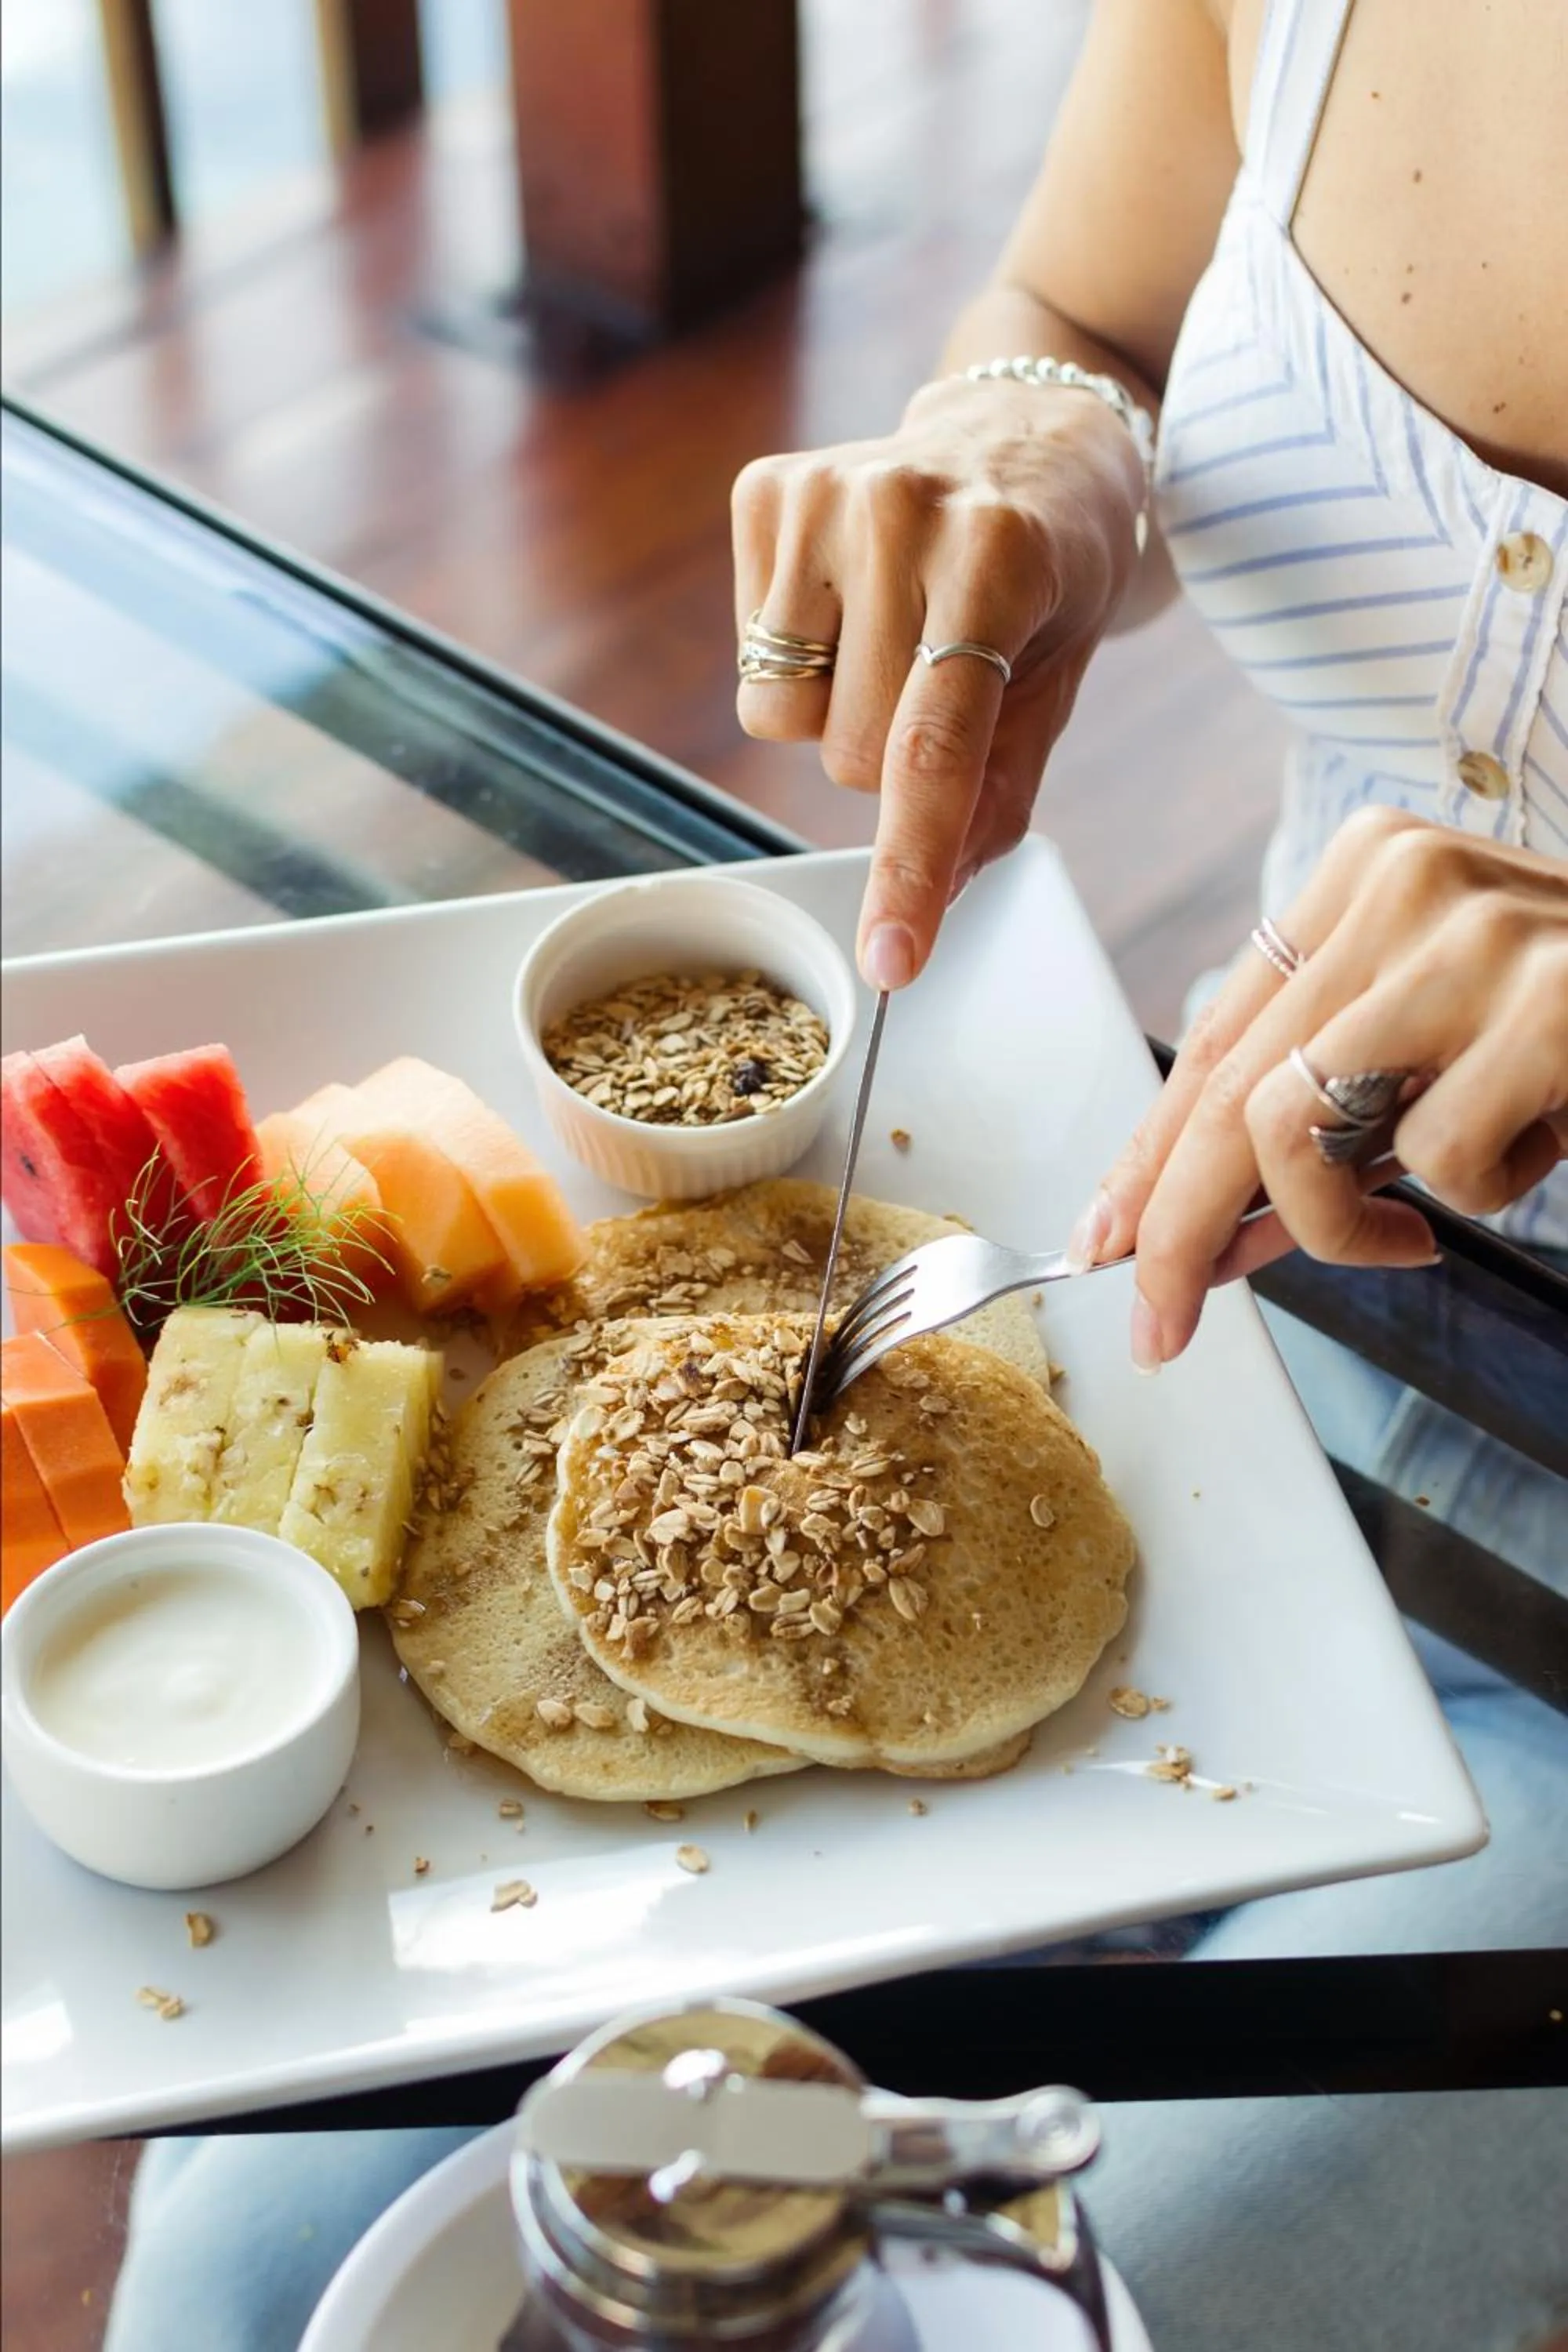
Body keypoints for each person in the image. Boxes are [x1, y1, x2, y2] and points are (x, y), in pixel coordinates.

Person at [104, 3, 1566, 2347]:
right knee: (271, 2280)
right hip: (1195, 1283)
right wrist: (1036, 437)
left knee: (972, 2315)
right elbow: (1086, 318)